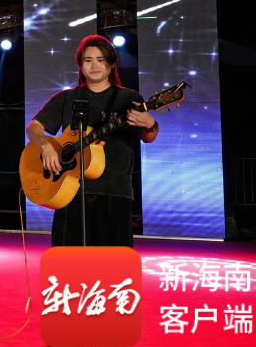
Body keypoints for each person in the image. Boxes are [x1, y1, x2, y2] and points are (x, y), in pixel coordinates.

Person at [25, 34, 158, 247]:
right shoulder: (66, 98)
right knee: (68, 260)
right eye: (88, 60)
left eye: (100, 59)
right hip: (69, 191)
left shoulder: (128, 98)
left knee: (113, 261)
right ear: (80, 65)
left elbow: (148, 137)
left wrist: (150, 123)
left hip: (114, 191)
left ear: (112, 64)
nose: (94, 65)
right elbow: (34, 127)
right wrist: (46, 145)